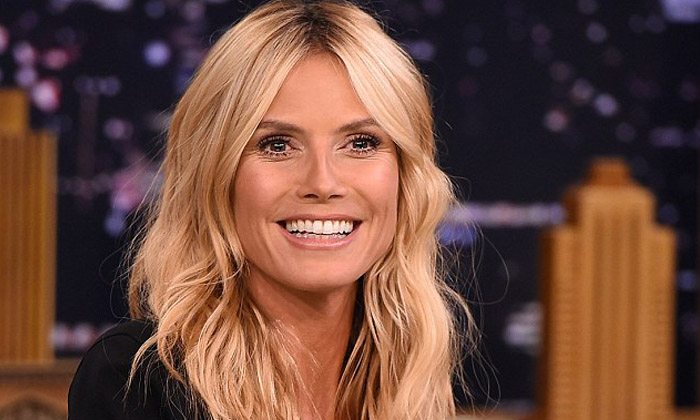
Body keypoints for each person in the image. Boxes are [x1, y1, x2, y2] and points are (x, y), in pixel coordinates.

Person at [68, 0, 475, 419]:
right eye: (277, 145)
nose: (323, 183)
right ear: (216, 174)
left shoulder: (415, 387)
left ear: (404, 176)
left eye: (361, 143)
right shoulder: (137, 382)